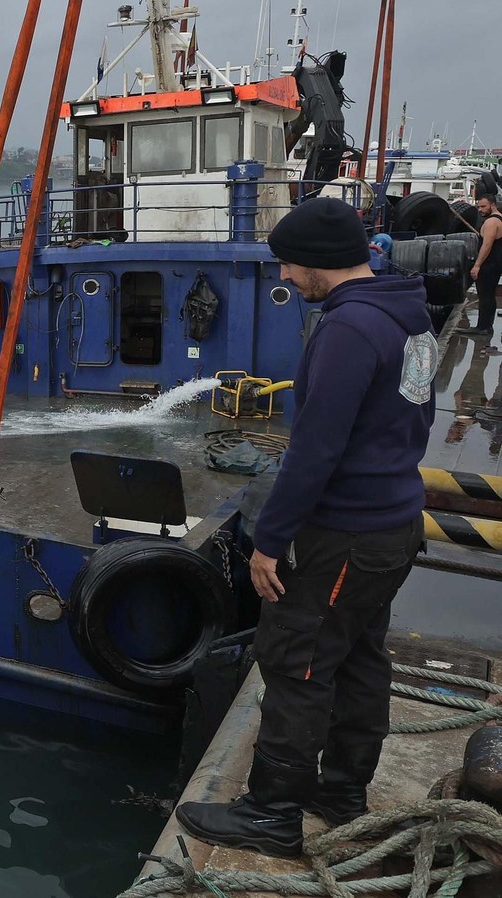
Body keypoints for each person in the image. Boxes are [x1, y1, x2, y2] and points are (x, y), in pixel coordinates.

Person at [176, 197, 435, 857]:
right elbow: (417, 418)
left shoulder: (348, 331)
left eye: (290, 263)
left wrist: (269, 542)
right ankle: (343, 791)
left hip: (344, 534)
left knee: (298, 663)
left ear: (319, 262)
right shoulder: (409, 317)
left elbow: (314, 450)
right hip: (395, 523)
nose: (285, 276)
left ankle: (271, 812)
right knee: (361, 656)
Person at [460, 188, 502, 339]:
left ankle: (482, 327)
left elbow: (487, 245)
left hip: (489, 264)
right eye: (478, 207)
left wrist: (477, 265)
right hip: (496, 263)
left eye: (483, 206)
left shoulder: (491, 222)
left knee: (485, 295)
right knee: (489, 296)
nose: (480, 210)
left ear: (493, 205)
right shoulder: (500, 218)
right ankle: (487, 326)